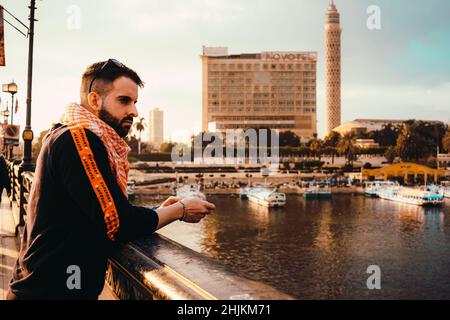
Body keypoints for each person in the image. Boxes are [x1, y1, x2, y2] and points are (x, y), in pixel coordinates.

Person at [7, 59, 215, 300]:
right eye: (124, 101)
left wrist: (158, 210)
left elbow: (100, 209)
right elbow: (118, 223)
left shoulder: (68, 134)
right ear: (95, 100)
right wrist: (180, 210)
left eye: (135, 102)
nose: (134, 111)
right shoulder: (79, 141)